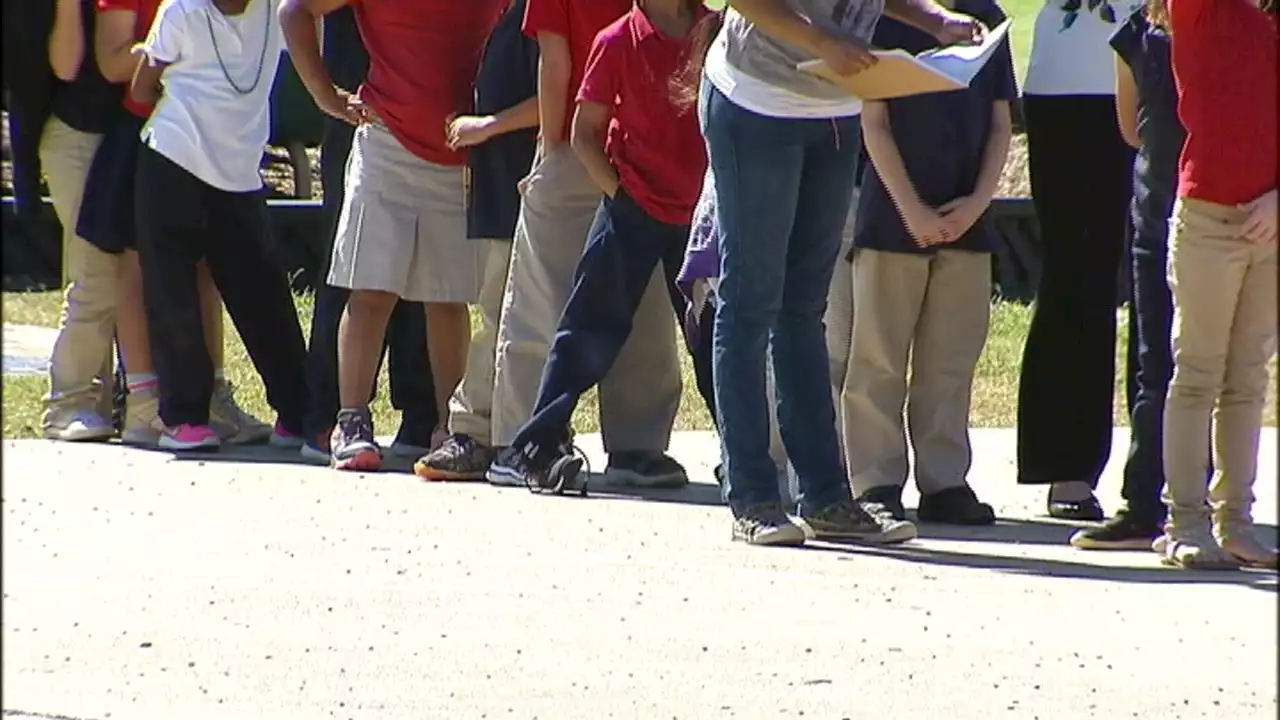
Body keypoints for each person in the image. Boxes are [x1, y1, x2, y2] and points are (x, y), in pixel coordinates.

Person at [700, 0, 984, 546]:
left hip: (833, 113)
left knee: (805, 310)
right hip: (755, 104)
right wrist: (821, 41)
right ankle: (753, 496)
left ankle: (826, 496)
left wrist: (934, 21)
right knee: (750, 303)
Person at [487, 0, 712, 491]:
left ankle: (742, 455)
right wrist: (617, 194)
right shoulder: (617, 39)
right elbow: (575, 110)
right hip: (626, 197)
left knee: (713, 334)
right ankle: (532, 444)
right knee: (583, 324)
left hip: (693, 210)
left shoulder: (711, 29)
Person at [281, 0, 505, 471]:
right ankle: (352, 422)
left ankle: (453, 428)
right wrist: (324, 95)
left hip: (457, 149)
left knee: (447, 299)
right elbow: (294, 11)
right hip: (385, 141)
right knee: (370, 292)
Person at [842, 0, 1014, 531]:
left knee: (951, 358)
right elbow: (875, 124)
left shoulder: (986, 18)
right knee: (877, 357)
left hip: (967, 217)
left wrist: (977, 203)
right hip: (892, 216)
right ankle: (874, 480)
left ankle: (944, 482)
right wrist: (910, 208)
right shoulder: (881, 19)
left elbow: (1001, 126)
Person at [83, 0, 269, 446]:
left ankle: (212, 397)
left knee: (205, 266)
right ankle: (146, 403)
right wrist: (181, 42)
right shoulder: (181, 10)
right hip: (149, 132)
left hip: (215, 140)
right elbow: (113, 63)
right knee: (139, 264)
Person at [128, 0, 310, 450]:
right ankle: (184, 416)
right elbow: (141, 88)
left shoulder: (276, 10)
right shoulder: (180, 10)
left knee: (263, 295)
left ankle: (299, 411)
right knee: (173, 294)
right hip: (173, 158)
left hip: (238, 174)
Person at [1155, 0, 1277, 570]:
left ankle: (1237, 524)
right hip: (1206, 218)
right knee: (1198, 373)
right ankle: (1184, 523)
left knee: (1248, 377)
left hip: (1271, 222)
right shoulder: (1202, 10)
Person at [1015, 0, 1141, 520]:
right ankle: (1066, 463)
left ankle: (1165, 472)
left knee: (1166, 282)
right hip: (1069, 85)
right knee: (1075, 276)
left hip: (1170, 71)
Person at [298, 5, 440, 464]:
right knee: (351, 271)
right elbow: (295, 10)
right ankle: (329, 419)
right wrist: (325, 95)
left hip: (430, 121)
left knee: (426, 275)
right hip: (362, 117)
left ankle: (422, 415)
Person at [1069, 2, 1187, 549]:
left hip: (1174, 202)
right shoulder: (1140, 32)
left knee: (1162, 365)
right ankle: (1159, 501)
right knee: (1166, 364)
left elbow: (1131, 127)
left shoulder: (1137, 32)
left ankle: (1156, 502)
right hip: (1166, 207)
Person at [414, 0, 540, 481]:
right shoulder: (505, 13)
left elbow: (562, 93)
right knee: (495, 311)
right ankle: (476, 430)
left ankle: (486, 432)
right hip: (495, 182)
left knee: (509, 316)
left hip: (523, 182)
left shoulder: (540, 12)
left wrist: (489, 125)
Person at [31, 0, 122, 441]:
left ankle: (105, 400)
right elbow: (66, 66)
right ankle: (69, 401)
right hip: (78, 136)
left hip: (135, 133)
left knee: (130, 276)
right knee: (96, 273)